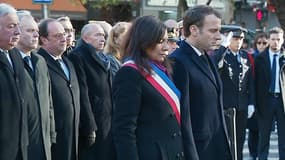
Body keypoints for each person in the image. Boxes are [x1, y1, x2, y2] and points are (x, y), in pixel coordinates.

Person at [112, 15, 196, 160]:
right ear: (144, 42)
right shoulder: (130, 72)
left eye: (166, 41)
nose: (166, 47)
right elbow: (124, 130)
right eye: (160, 42)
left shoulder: (163, 69)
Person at [170, 5, 232, 160]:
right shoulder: (178, 61)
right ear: (194, 30)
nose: (219, 36)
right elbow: (183, 117)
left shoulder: (205, 56)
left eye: (219, 30)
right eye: (213, 31)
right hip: (199, 150)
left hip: (216, 147)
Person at [68, 23, 114, 160]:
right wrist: (90, 126)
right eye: (98, 35)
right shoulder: (78, 56)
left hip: (107, 118)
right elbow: (83, 92)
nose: (103, 39)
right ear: (86, 38)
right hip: (94, 120)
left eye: (103, 35)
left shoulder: (103, 57)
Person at [37, 18, 80, 160]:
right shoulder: (39, 63)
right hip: (54, 137)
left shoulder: (68, 62)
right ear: (44, 39)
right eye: (57, 36)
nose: (64, 38)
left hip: (73, 135)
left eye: (64, 34)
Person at [16, 11, 56, 160]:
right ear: (17, 32)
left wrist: (51, 136)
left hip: (43, 144)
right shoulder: (9, 63)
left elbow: (48, 102)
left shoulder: (40, 62)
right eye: (30, 30)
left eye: (37, 31)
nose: (35, 35)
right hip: (20, 146)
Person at [212, 27, 255, 160]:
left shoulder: (245, 56)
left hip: (242, 105)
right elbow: (214, 64)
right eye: (235, 39)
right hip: (226, 106)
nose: (238, 42)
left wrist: (251, 103)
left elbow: (251, 82)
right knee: (227, 140)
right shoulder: (223, 55)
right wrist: (224, 46)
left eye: (241, 39)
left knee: (240, 140)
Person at [0, 3, 29, 160]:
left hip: (19, 147)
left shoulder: (15, 55)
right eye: (11, 26)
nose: (18, 32)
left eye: (18, 26)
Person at [255, 27, 285, 160]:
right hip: (266, 101)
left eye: (278, 39)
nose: (275, 42)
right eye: (273, 39)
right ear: (268, 40)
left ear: (282, 40)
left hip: (282, 101)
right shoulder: (260, 58)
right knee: (264, 137)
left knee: (283, 138)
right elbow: (255, 84)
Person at [247, 32, 268, 160]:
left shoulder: (272, 57)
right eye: (259, 43)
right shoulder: (251, 58)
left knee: (264, 132)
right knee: (253, 131)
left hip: (266, 100)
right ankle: (253, 155)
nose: (261, 45)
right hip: (253, 99)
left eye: (264, 43)